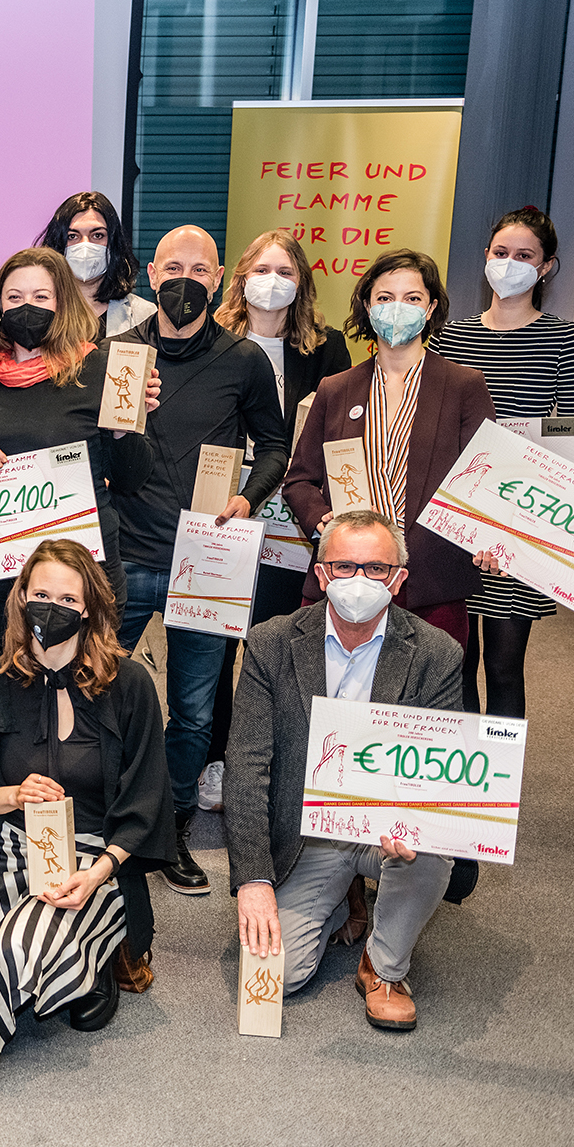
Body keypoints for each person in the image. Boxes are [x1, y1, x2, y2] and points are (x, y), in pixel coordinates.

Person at [0, 540, 175, 1060]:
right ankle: (68, 962)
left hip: (93, 863)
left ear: (88, 609)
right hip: (7, 851)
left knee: (13, 952)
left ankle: (94, 959)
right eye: (41, 595)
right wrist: (11, 795)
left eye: (67, 599)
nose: (51, 608)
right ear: (21, 597)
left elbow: (147, 798)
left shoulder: (130, 685)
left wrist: (98, 873)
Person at [223, 510, 463, 1031]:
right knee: (278, 978)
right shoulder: (270, 642)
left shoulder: (437, 653)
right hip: (308, 831)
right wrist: (254, 879)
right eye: (344, 566)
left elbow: (442, 770)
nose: (359, 580)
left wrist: (418, 823)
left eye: (376, 569)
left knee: (432, 851)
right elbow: (246, 765)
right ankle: (342, 896)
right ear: (321, 573)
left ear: (398, 579)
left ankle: (384, 967)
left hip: (385, 830)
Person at [108, 225, 289, 896]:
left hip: (209, 557)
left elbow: (275, 446)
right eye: (173, 267)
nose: (184, 280)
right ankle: (105, 816)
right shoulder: (119, 354)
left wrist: (248, 497)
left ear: (218, 280)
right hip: (126, 554)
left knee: (193, 713)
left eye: (200, 269)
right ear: (152, 275)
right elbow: (98, 451)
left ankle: (172, 826)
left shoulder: (245, 361)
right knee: (94, 690)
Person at [0, 247, 157, 672]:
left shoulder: (101, 368)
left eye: (41, 297)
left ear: (62, 303)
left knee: (81, 693)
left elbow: (132, 478)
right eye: (14, 298)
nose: (26, 307)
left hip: (76, 578)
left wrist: (124, 429)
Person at [199, 229, 353, 810]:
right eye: (261, 270)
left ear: (302, 283)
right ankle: (215, 759)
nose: (272, 281)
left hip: (293, 519)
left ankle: (271, 764)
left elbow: (340, 436)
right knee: (215, 642)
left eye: (285, 272)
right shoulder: (211, 340)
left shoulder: (326, 349)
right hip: (222, 511)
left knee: (279, 645)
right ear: (240, 279)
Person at [285, 248, 500, 650]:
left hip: (432, 583)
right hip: (346, 577)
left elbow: (489, 480)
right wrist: (323, 523)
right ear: (368, 307)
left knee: (428, 686)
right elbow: (299, 480)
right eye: (385, 297)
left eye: (412, 297)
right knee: (331, 682)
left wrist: (492, 537)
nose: (397, 307)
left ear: (430, 308)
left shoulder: (463, 387)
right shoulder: (336, 389)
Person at [430, 206, 574, 718]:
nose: (510, 263)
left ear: (545, 267)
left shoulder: (567, 340)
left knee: (503, 666)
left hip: (518, 519)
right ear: (486, 257)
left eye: (524, 255)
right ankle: (459, 765)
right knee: (453, 662)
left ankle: (499, 767)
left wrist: (514, 513)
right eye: (501, 252)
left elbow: (569, 436)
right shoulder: (449, 337)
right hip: (452, 516)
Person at [36, 191, 155, 340]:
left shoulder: (144, 314)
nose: (85, 245)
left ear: (113, 244)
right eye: (72, 236)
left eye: (97, 235)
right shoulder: (38, 310)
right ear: (58, 243)